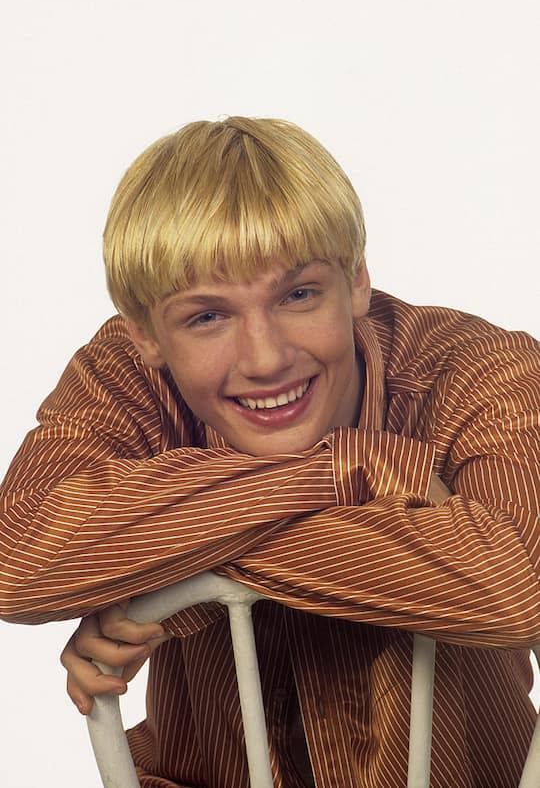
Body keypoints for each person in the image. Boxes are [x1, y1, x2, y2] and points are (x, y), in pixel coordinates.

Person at [1, 116, 539, 788]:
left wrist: (165, 578)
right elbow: (15, 560)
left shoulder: (479, 368)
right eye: (207, 316)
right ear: (144, 334)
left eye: (299, 294)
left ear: (357, 282)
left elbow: (520, 588)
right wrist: (347, 469)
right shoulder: (125, 374)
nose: (266, 358)